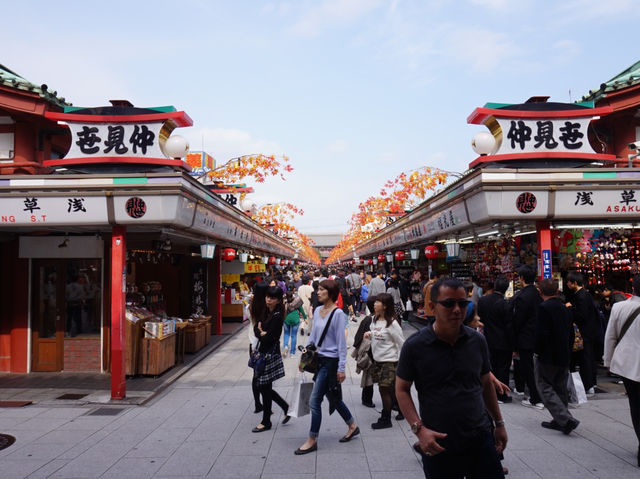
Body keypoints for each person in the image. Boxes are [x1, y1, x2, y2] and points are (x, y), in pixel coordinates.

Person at [396, 277, 507, 478]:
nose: (457, 309)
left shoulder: (477, 340)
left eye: (463, 303)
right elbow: (402, 389)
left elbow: (485, 384)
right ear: (432, 306)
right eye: (448, 304)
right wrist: (419, 430)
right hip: (438, 441)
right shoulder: (415, 346)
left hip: (480, 436)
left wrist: (499, 424)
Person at [295, 279, 359, 455]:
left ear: (330, 293)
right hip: (319, 360)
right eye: (318, 289)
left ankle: (312, 439)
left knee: (315, 401)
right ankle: (352, 425)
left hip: (331, 363)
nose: (318, 292)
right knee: (333, 397)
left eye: (322, 290)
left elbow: (341, 343)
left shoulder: (338, 314)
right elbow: (313, 336)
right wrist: (304, 358)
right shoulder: (316, 311)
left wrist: (341, 368)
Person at [534, 278, 579, 435]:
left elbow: (542, 334)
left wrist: (538, 351)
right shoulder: (564, 308)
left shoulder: (543, 308)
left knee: (544, 386)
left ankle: (565, 419)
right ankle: (560, 419)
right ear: (557, 291)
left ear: (540, 292)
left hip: (548, 355)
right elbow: (571, 333)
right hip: (563, 353)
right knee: (560, 387)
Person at [604, 274, 640, 467]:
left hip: (628, 364)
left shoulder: (620, 307)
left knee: (636, 405)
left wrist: (608, 361)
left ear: (633, 288)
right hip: (630, 363)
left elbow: (610, 337)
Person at [252, 286, 290, 433]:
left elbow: (269, 337)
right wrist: (261, 332)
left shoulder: (278, 316)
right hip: (263, 352)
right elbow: (257, 328)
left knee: (264, 386)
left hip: (269, 353)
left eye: (272, 298)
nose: (268, 299)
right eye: (268, 296)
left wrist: (262, 333)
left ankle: (266, 421)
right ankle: (285, 407)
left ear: (278, 300)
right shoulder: (265, 311)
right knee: (263, 386)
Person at [365, 292, 405, 429]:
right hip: (377, 361)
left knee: (383, 389)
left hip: (390, 361)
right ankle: (401, 409)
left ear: (385, 306)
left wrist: (402, 364)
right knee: (390, 389)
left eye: (378, 302)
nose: (375, 304)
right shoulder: (374, 319)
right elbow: (376, 334)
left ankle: (385, 418)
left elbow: (401, 343)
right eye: (375, 301)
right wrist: (369, 334)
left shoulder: (392, 323)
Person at [478, 276, 514, 403]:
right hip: (504, 341)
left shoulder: (483, 301)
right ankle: (501, 394)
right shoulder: (506, 304)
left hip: (488, 338)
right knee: (503, 368)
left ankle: (490, 392)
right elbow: (509, 325)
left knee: (490, 366)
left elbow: (480, 318)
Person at [512, 265, 544, 409]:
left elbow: (518, 320)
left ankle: (535, 398)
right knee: (537, 368)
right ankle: (539, 395)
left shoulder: (523, 296)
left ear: (522, 278)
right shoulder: (538, 294)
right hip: (538, 336)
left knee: (528, 368)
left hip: (525, 337)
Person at [565, 270, 599, 394]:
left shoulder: (581, 296)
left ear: (574, 282)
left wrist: (570, 308)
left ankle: (588, 384)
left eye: (568, 282)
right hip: (588, 332)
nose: (567, 284)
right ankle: (590, 383)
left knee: (585, 358)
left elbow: (581, 315)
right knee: (587, 358)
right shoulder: (584, 294)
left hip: (585, 333)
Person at [352, 295, 378, 408]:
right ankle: (367, 399)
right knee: (369, 377)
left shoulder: (368, 318)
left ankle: (366, 399)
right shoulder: (372, 320)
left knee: (369, 377)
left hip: (372, 353)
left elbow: (357, 338)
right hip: (371, 353)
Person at [248, 281, 268, 413]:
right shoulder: (266, 308)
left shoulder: (250, 306)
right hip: (263, 342)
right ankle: (266, 403)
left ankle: (257, 403)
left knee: (256, 374)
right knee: (264, 374)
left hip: (252, 342)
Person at [282, 291, 306, 358]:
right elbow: (301, 309)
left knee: (286, 334)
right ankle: (292, 352)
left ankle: (286, 346)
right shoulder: (296, 301)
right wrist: (305, 317)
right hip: (295, 318)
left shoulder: (283, 301)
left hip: (286, 318)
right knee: (294, 336)